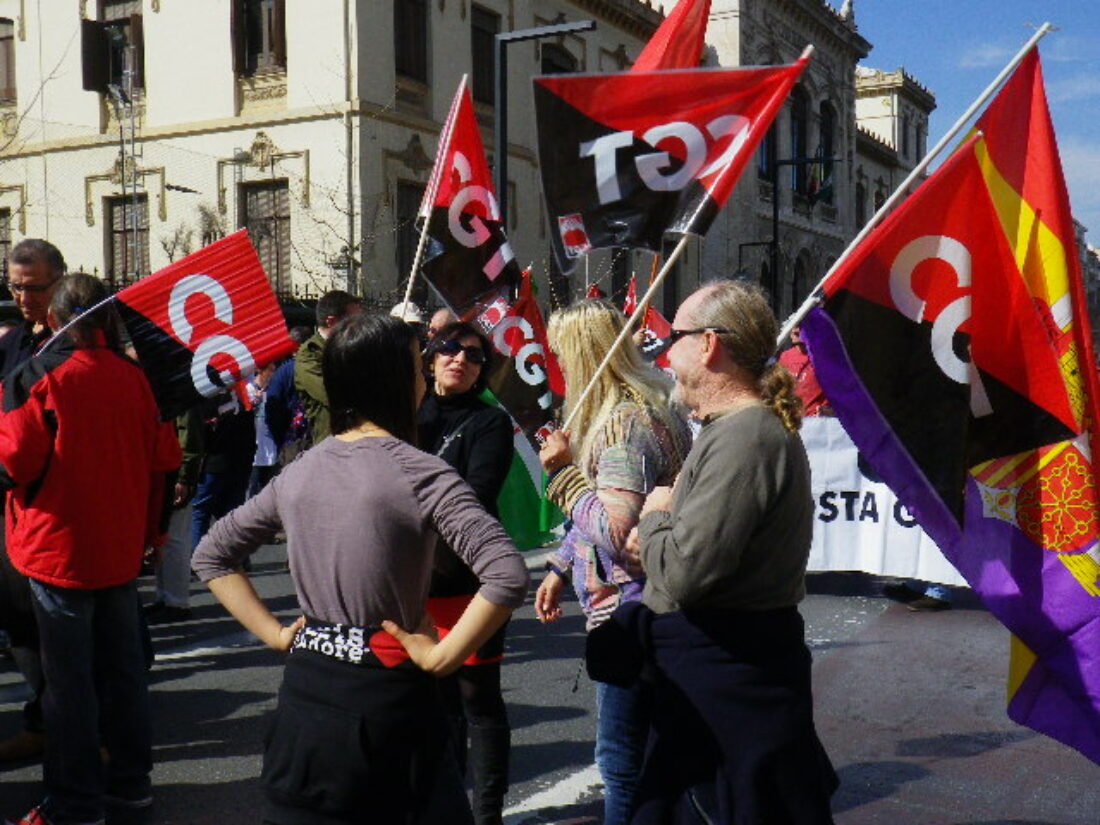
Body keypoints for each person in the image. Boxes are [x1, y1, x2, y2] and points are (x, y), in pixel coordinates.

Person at [192, 313, 529, 825]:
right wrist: (443, 658)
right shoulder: (422, 472)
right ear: (401, 379)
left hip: (306, 697)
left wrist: (278, 634)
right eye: (419, 366)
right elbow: (506, 572)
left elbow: (211, 555)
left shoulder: (302, 468)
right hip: (388, 698)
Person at [621, 280, 838, 824]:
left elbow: (685, 574)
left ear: (710, 345)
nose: (666, 356)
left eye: (674, 338)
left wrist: (653, 519)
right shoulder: (732, 430)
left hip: (733, 691)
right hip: (714, 687)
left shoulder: (746, 436)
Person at [1, 273, 182, 825]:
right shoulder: (137, 377)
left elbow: (13, 463)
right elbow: (165, 461)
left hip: (57, 551)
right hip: (119, 552)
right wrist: (152, 538)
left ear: (54, 318)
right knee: (123, 676)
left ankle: (74, 804)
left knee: (69, 687)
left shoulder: (38, 375)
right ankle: (130, 788)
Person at [533, 300, 690, 825]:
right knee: (654, 756)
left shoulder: (622, 426)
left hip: (629, 609)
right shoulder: (641, 410)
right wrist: (560, 565)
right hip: (647, 603)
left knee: (621, 765)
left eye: (560, 354)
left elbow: (613, 526)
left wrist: (561, 475)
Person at [419, 321, 515, 825]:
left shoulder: (488, 423)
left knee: (478, 699)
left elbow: (476, 495)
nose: (460, 359)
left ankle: (487, 815)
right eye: (450, 349)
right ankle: (447, 806)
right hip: (413, 584)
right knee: (436, 704)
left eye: (475, 355)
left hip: (469, 581)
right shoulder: (405, 414)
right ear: (430, 357)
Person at [0, 239, 65, 763]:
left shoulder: (80, 346)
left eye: (35, 287)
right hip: (13, 510)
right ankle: (42, 722)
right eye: (16, 286)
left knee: (71, 632)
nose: (24, 297)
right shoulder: (13, 345)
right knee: (20, 622)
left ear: (60, 282)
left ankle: (90, 738)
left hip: (64, 510)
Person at [146, 406, 206, 624]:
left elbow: (188, 433)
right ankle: (165, 596)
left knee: (175, 538)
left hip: (175, 469)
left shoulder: (181, 394)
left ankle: (176, 602)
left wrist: (185, 476)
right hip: (167, 467)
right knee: (165, 536)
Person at [294, 291, 362, 444]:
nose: (359, 327)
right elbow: (332, 394)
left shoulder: (353, 349)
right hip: (331, 442)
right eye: (353, 320)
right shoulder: (310, 354)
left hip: (360, 439)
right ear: (331, 322)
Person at [778, 324, 831, 416]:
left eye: (799, 326)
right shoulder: (785, 357)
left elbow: (840, 391)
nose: (795, 331)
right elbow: (779, 390)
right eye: (792, 326)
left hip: (817, 422)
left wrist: (830, 411)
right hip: (793, 421)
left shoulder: (823, 357)